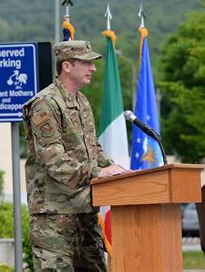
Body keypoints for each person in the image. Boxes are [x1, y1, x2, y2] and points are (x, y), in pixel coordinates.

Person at [23, 40, 127, 271]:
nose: (93, 68)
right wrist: (99, 172)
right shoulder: (45, 104)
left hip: (86, 210)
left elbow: (93, 149)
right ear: (67, 66)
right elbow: (54, 161)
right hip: (54, 215)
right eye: (86, 62)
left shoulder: (81, 101)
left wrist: (118, 172)